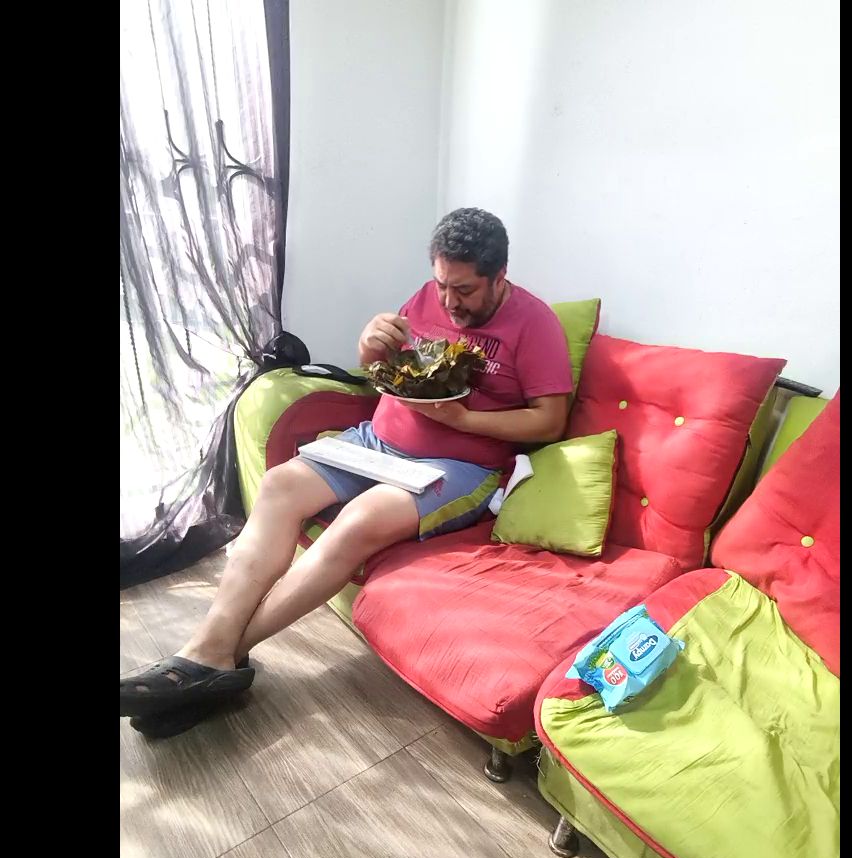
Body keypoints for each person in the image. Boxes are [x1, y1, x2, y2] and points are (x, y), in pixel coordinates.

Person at [120, 207, 574, 737]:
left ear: (499, 276)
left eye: (465, 290)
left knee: (358, 519)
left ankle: (214, 655)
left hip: (458, 466)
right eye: (441, 284)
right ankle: (212, 657)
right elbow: (388, 368)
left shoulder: (534, 324)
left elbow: (551, 420)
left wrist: (465, 419)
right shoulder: (427, 298)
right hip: (376, 443)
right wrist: (369, 344)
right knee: (281, 485)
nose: (450, 302)